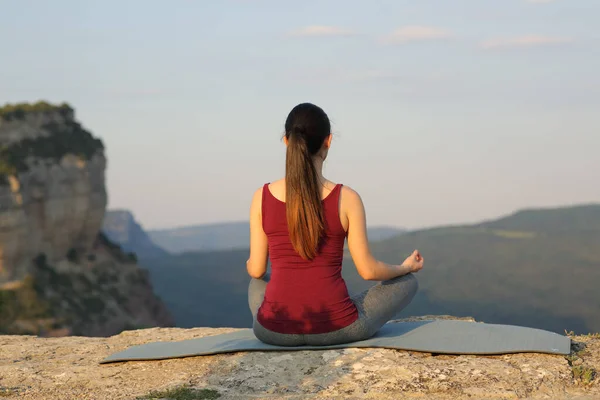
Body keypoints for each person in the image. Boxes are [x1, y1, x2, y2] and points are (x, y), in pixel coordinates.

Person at [246, 102, 423, 346]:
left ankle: (275, 314)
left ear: (286, 141)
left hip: (274, 332)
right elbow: (368, 271)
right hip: (339, 329)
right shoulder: (346, 197)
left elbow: (256, 270)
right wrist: (405, 268)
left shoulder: (261, 197)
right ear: (328, 141)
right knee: (408, 283)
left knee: (256, 283)